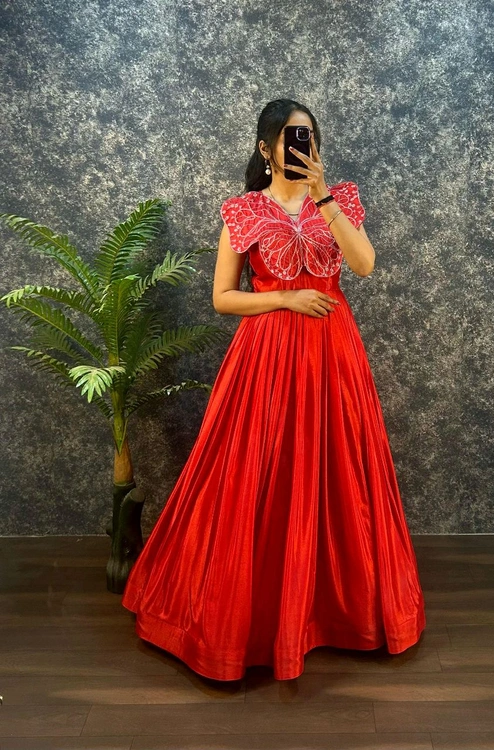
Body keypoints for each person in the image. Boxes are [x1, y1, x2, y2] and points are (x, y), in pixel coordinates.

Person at [121, 98, 426, 681]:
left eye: (308, 136)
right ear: (265, 148)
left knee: (338, 471)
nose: (301, 146)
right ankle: (250, 620)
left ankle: (335, 613)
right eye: (290, 137)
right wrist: (285, 298)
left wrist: (324, 197)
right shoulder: (243, 211)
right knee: (256, 474)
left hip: (333, 354)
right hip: (265, 358)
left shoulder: (339, 198)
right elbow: (222, 298)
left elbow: (363, 265)